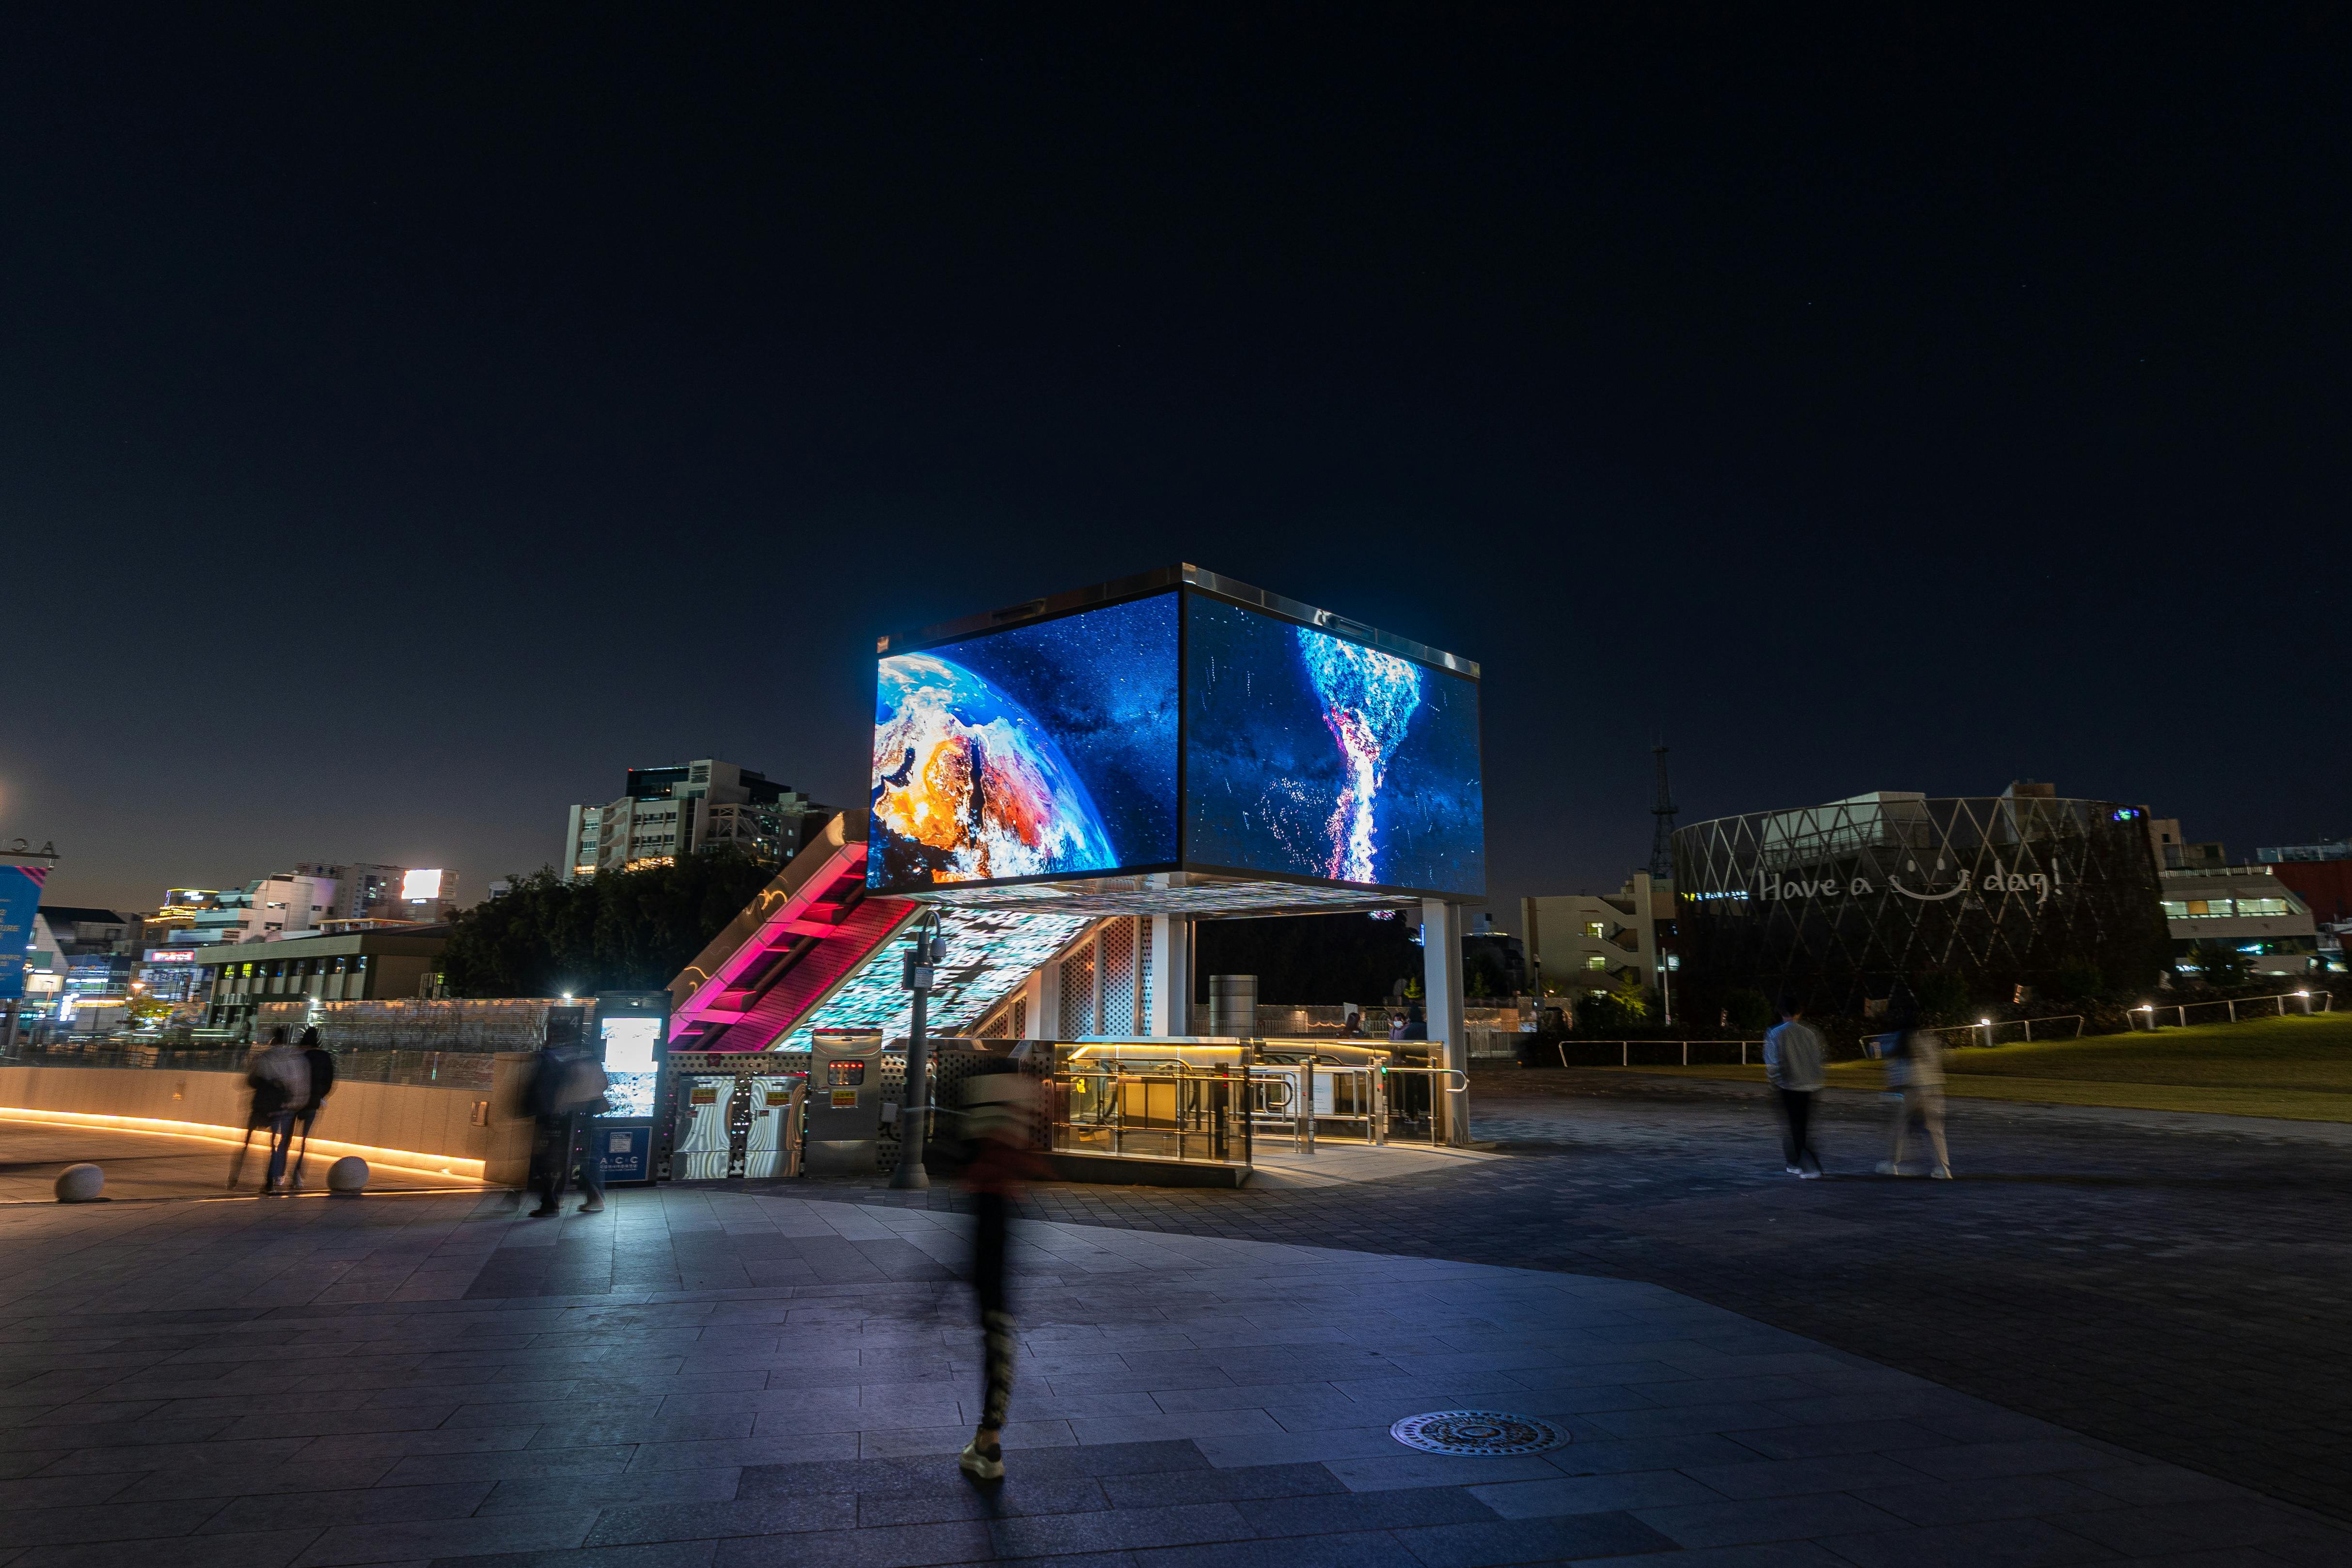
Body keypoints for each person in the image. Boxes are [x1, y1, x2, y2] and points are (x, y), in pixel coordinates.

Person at [955, 1059, 1047, 1483]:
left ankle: (989, 1440)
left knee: (995, 1324)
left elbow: (971, 1158)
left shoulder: (983, 1091)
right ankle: (988, 1438)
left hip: (986, 1213)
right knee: (997, 1323)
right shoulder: (1017, 1097)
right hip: (1005, 1212)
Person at [1869, 999, 1952, 1179]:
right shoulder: (1927, 1037)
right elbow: (1943, 1058)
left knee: (1899, 1127)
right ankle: (1943, 1168)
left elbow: (1874, 1049)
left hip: (1909, 1088)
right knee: (1935, 1130)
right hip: (1933, 1087)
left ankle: (1892, 1164)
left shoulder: (1897, 1038)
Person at [526, 1044, 610, 1216]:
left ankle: (557, 1200)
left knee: (568, 1158)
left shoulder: (572, 1064)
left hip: (573, 1116)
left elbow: (566, 1092)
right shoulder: (592, 1063)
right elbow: (603, 1085)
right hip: (586, 1115)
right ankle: (589, 1198)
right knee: (584, 1157)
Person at [1762, 994, 1827, 1178]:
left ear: (1782, 1012)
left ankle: (1805, 1164)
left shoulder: (1775, 1033)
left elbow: (1773, 1063)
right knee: (1803, 1125)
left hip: (1789, 1086)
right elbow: (1819, 1059)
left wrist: (1773, 1083)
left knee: (1794, 1126)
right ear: (1800, 1012)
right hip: (1810, 1085)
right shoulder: (1811, 1033)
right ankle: (1797, 1161)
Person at [241, 1028, 311, 1195]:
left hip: (265, 1105)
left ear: (273, 1039)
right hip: (286, 1107)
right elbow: (299, 1082)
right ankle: (273, 1179)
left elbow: (252, 1081)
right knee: (281, 1143)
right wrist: (296, 1103)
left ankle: (241, 1177)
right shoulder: (294, 1058)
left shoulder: (265, 1057)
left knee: (255, 1141)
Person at [290, 1026, 337, 1188]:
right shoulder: (325, 1057)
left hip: (294, 1101)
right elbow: (330, 1081)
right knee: (304, 1140)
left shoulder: (301, 1055)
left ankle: (278, 1174)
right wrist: (321, 1096)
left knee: (286, 1139)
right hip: (313, 1102)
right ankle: (298, 1173)